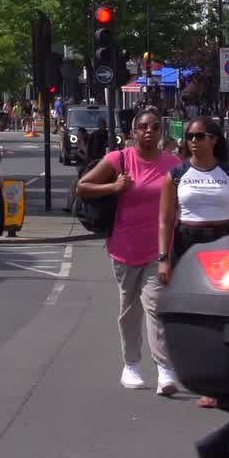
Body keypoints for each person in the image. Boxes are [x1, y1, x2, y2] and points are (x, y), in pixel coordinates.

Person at [75, 104, 179, 395]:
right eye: (143, 127)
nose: (149, 131)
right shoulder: (118, 159)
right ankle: (131, 364)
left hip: (159, 248)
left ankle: (164, 369)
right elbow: (82, 187)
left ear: (161, 132)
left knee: (155, 305)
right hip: (124, 247)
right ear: (133, 132)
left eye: (155, 127)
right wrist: (114, 187)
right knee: (130, 309)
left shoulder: (172, 163)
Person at [157, 114, 229, 408]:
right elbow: (165, 220)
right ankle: (197, 376)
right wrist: (163, 258)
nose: (193, 141)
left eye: (199, 136)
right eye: (189, 137)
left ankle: (218, 384)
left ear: (214, 139)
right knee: (193, 314)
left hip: (222, 243)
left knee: (221, 314)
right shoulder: (177, 174)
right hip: (187, 243)